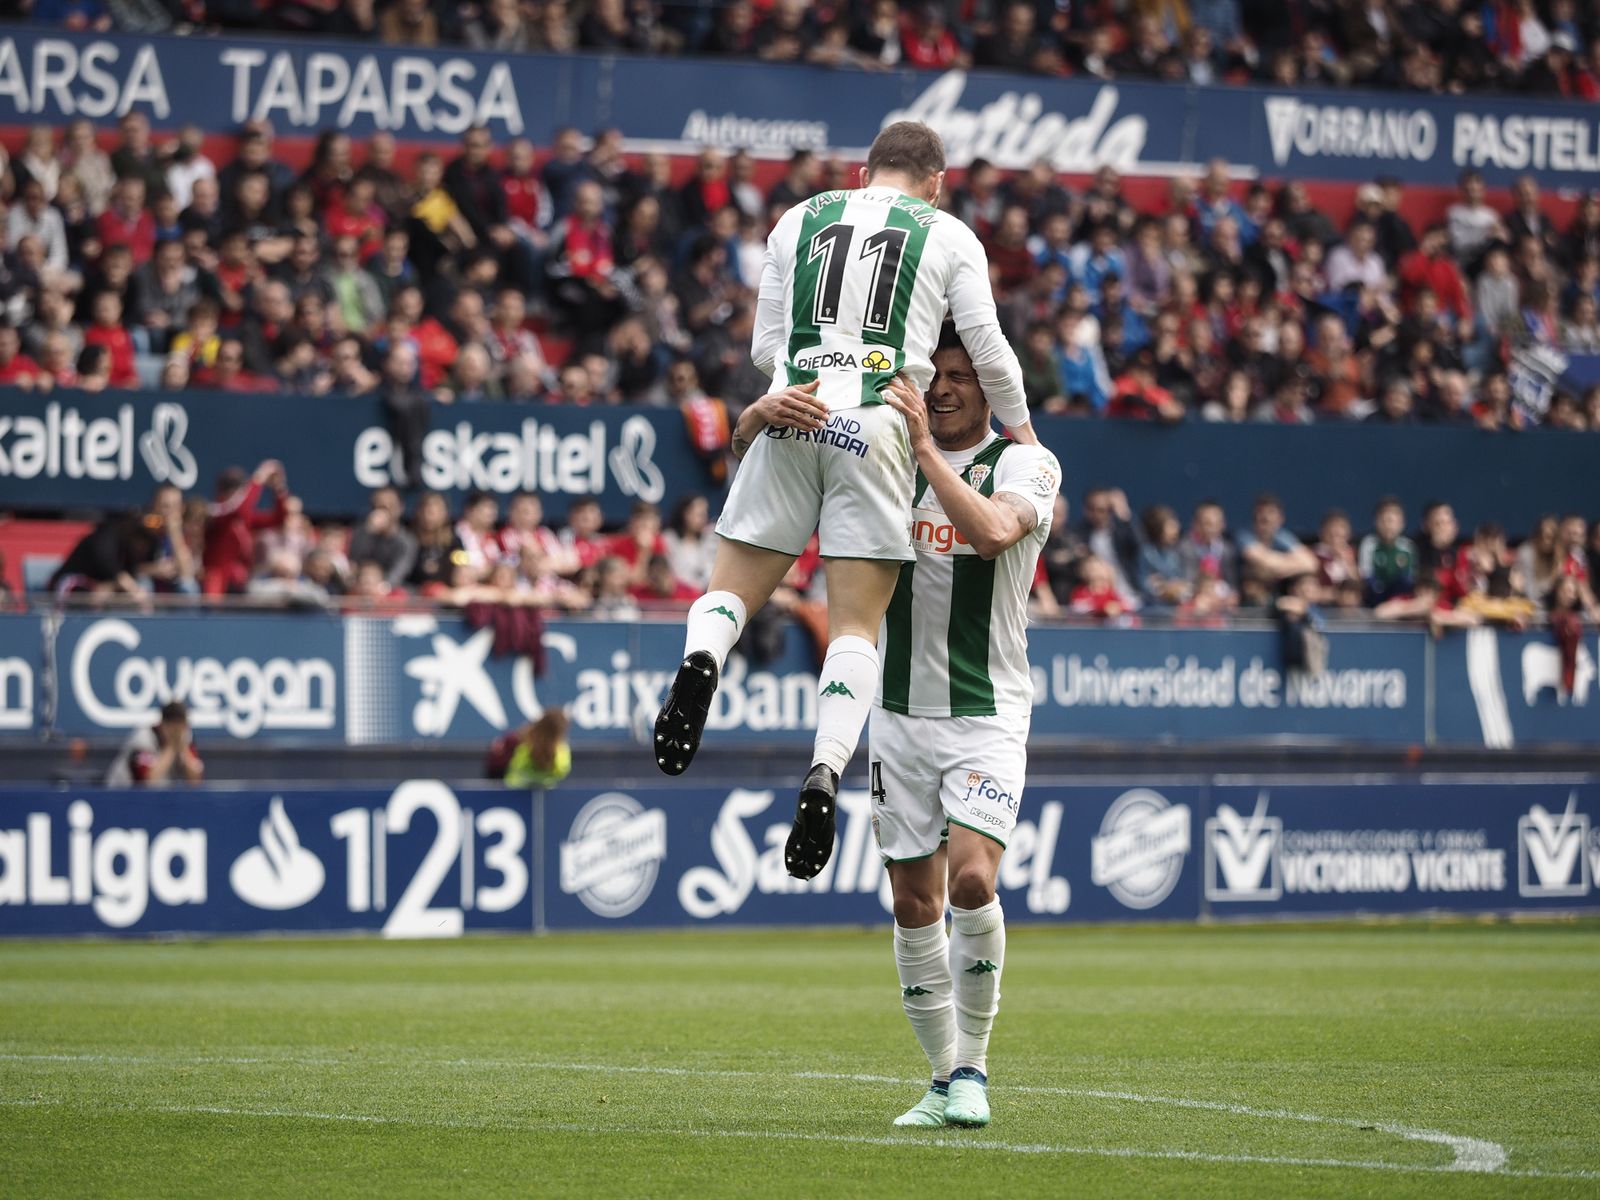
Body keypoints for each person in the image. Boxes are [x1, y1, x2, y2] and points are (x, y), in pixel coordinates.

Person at [655, 123, 1036, 885]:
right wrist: (1021, 433)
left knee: (727, 591)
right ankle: (826, 769)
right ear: (935, 182)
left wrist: (792, 386)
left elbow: (768, 345)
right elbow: (988, 350)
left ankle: (702, 659)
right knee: (856, 626)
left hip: (792, 405)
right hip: (880, 421)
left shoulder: (798, 218)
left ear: (864, 172)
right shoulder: (948, 232)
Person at [744, 325, 1057, 1128]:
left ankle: (976, 1069)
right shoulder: (877, 457)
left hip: (986, 713)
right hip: (897, 717)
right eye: (936, 373)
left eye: (961, 376)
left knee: (973, 880)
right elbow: (772, 484)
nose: (945, 388)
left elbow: (991, 533)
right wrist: (755, 418)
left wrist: (921, 449)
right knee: (914, 906)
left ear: (991, 389)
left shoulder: (1026, 463)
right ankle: (942, 1077)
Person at [105, 700, 205, 786]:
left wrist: (182, 749)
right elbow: (148, 782)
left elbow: (195, 781)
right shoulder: (143, 738)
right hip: (118, 794)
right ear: (162, 724)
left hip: (154, 800)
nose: (176, 733)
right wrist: (171, 747)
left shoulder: (185, 737)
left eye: (180, 728)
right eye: (172, 728)